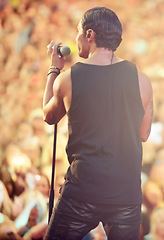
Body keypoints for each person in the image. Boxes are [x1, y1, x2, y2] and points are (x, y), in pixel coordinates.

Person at [42, 6, 153, 239]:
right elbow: (144, 134)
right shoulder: (141, 80)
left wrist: (53, 69)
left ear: (89, 35)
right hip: (125, 192)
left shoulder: (68, 78)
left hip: (82, 189)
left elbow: (49, 116)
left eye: (78, 32)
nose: (76, 39)